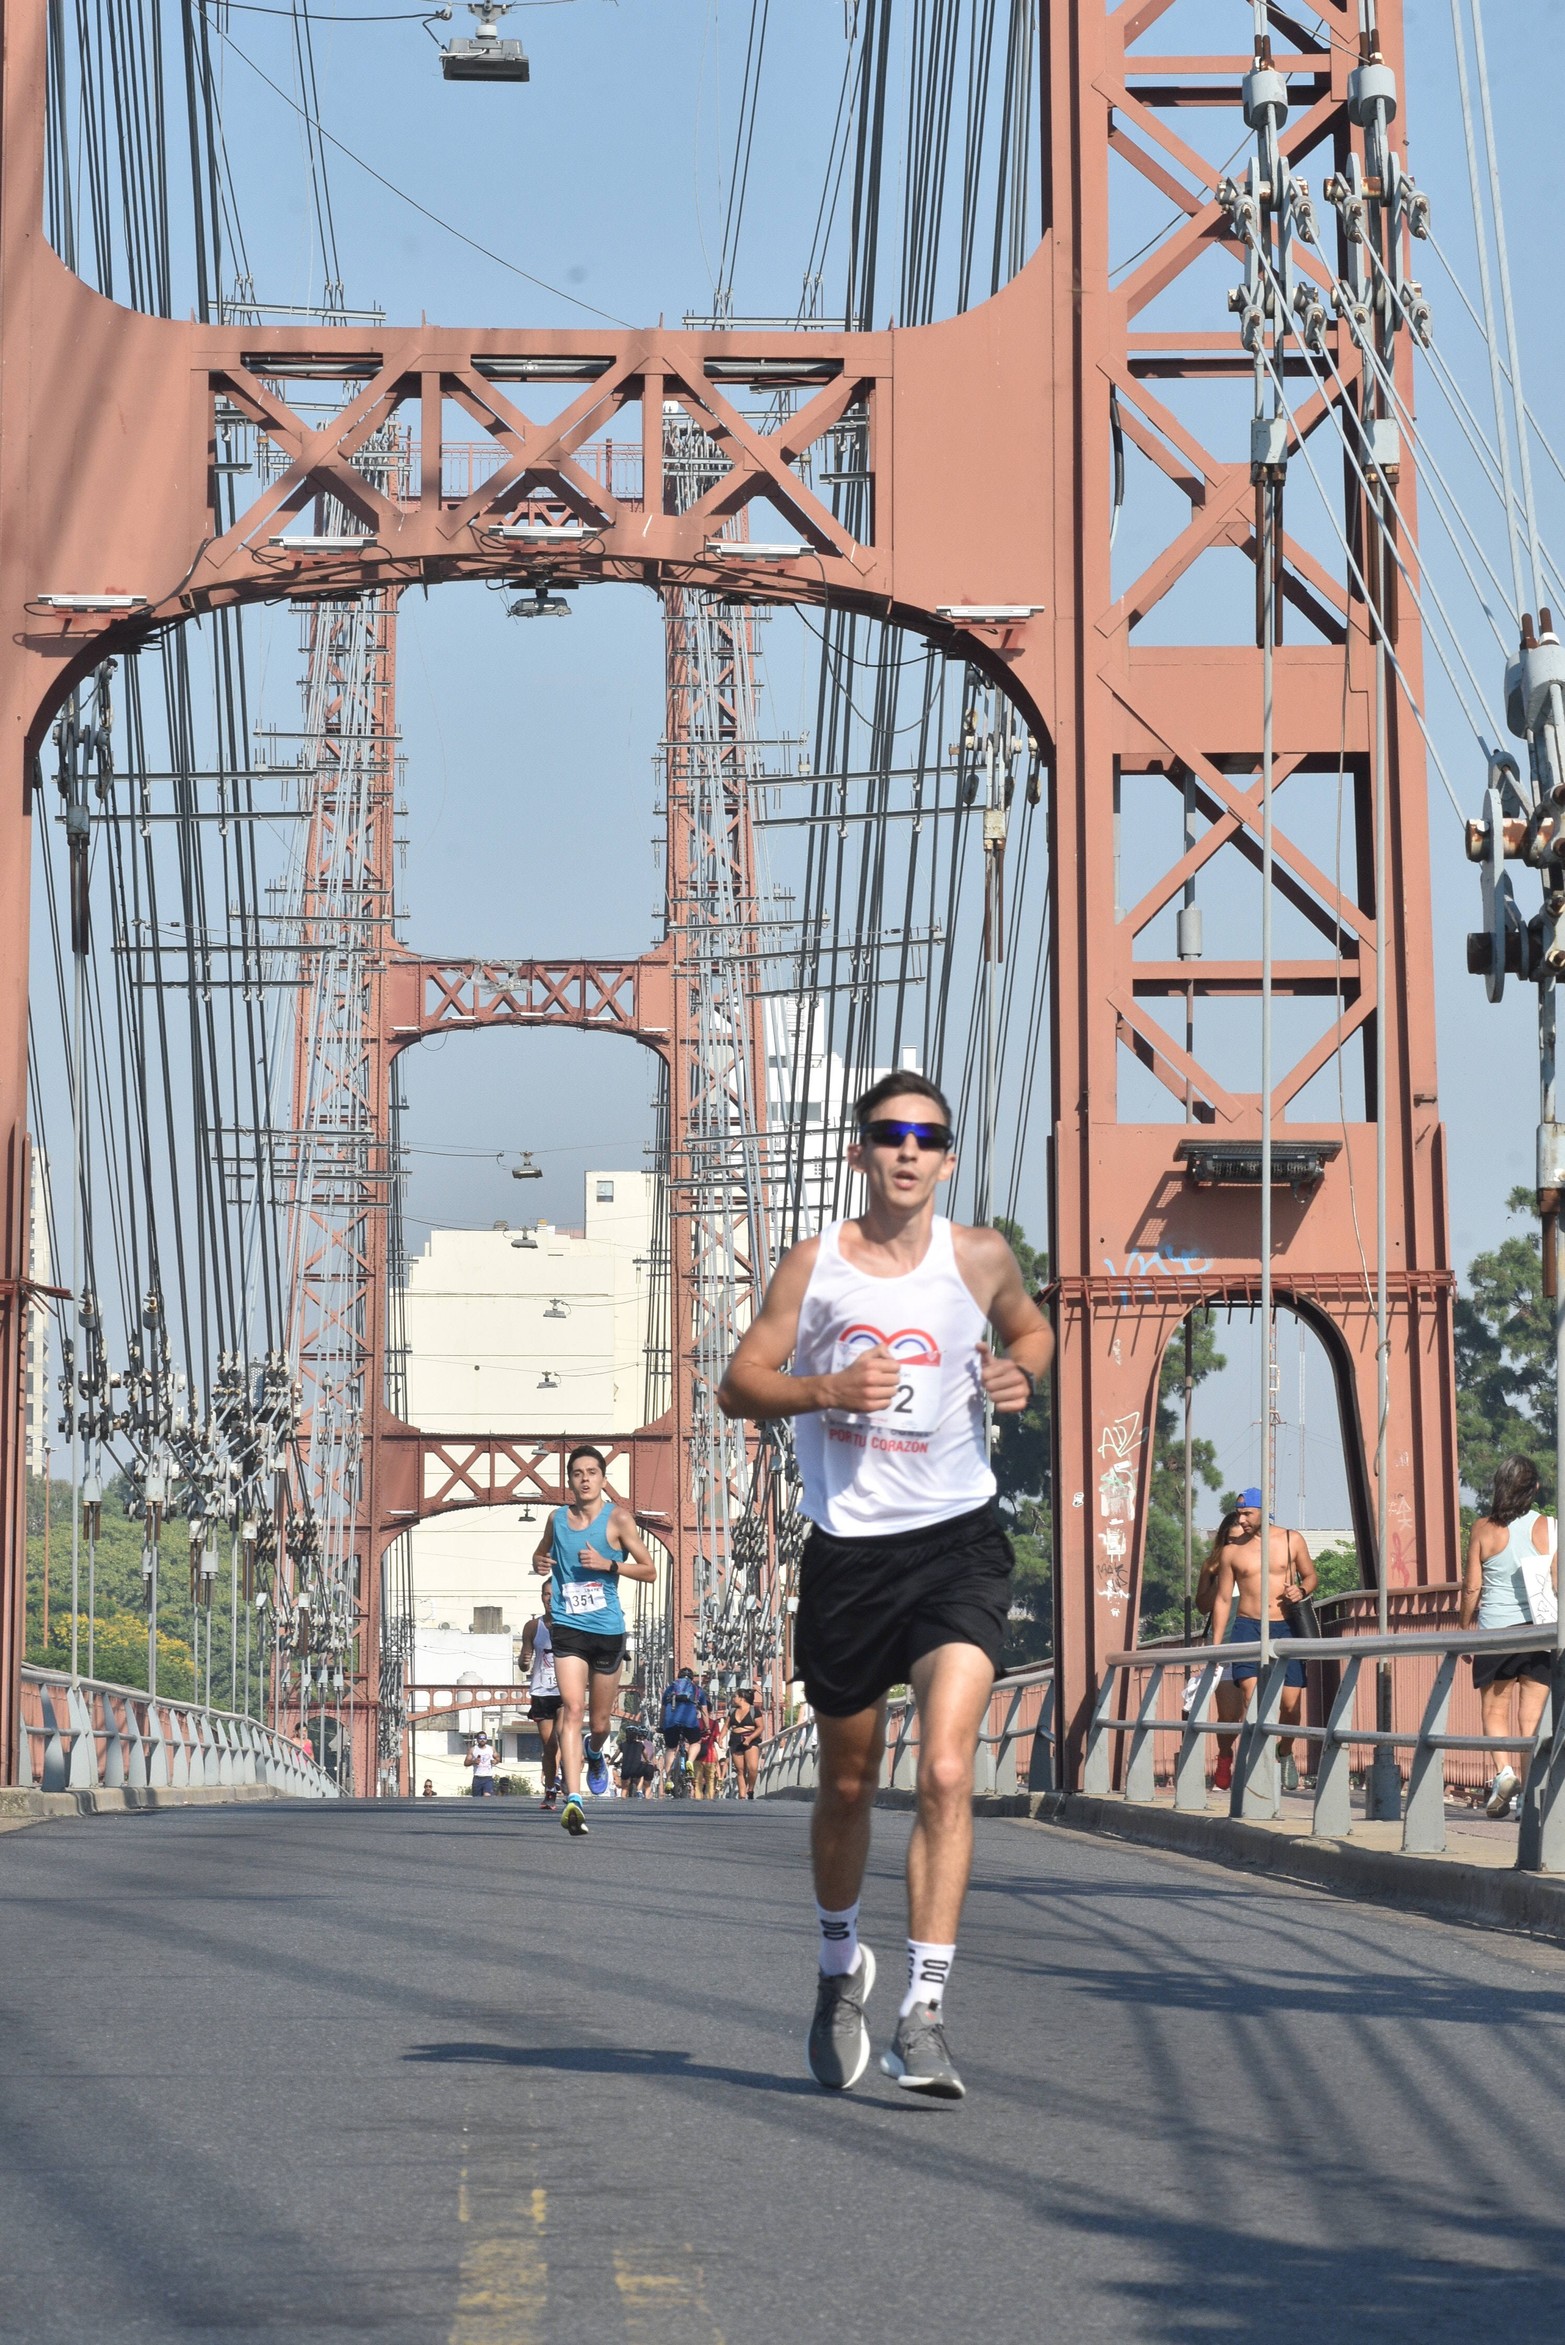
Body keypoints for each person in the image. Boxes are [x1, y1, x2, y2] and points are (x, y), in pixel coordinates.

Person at [718, 1069, 1053, 2099]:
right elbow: (739, 1383)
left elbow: (1032, 1327)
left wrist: (1021, 1370)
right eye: (887, 1133)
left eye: (926, 1136)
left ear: (946, 1157)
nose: (907, 1149)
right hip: (849, 1554)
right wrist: (821, 1387)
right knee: (850, 1783)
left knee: (947, 1770)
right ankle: (835, 1969)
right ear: (861, 1152)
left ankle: (924, 2011)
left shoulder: (979, 1255)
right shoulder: (815, 1267)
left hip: (957, 1542)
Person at [532, 1445, 657, 1837]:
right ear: (569, 1480)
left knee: (599, 1723)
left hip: (607, 1631)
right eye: (577, 1473)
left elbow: (650, 1570)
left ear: (603, 1479)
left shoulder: (617, 1519)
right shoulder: (557, 1519)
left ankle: (592, 1751)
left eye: (591, 1472)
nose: (584, 1479)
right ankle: (573, 1799)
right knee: (571, 1708)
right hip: (568, 1627)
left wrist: (609, 1564)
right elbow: (540, 1554)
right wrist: (538, 1562)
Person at [1460, 1453, 1559, 1818]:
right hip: (1539, 1632)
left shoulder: (1483, 1528)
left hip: (1495, 1634)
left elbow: (1472, 1588)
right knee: (1531, 1718)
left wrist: (1463, 1630)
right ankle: (1530, 1801)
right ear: (1534, 1488)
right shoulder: (1551, 1527)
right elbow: (1557, 1582)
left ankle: (1503, 1773)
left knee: (1494, 1710)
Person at [1206, 1490, 1319, 1795]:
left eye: (1247, 1514)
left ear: (1263, 1511)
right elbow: (1222, 1600)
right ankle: (1258, 1765)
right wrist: (1216, 1648)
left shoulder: (1290, 1540)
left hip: (1285, 1628)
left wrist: (1302, 1590)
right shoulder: (1232, 1551)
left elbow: (1311, 1576)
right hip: (1248, 1627)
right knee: (1251, 1698)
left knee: (1290, 1705)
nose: (1241, 1520)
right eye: (1238, 1514)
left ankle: (1284, 1751)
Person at [521, 1590, 562, 1811]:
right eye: (546, 1594)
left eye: (555, 1595)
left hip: (565, 1691)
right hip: (541, 1692)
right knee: (549, 1745)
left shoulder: (572, 1624)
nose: (550, 1599)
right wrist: (524, 1660)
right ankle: (550, 1790)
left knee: (565, 1735)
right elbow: (524, 1663)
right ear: (541, 1597)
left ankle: (568, 1777)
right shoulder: (532, 1626)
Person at [659, 1664, 704, 1794]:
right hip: (690, 1722)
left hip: (671, 1722)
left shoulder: (670, 1688)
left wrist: (662, 1725)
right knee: (695, 1742)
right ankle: (689, 1761)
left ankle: (668, 1778)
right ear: (691, 1678)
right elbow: (705, 1711)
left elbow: (663, 1710)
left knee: (671, 1748)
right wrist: (706, 1727)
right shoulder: (697, 1690)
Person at [728, 1682, 763, 1800]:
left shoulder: (755, 1711)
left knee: (752, 1768)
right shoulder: (732, 1711)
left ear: (742, 1698)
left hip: (751, 1739)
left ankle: (751, 1788)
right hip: (735, 1739)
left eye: (735, 1696)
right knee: (740, 1770)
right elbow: (726, 1726)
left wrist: (750, 1738)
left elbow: (760, 1727)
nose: (733, 1699)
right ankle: (742, 1796)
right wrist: (720, 1737)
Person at [696, 1700, 728, 1800]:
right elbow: (718, 1739)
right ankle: (709, 1799)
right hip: (710, 1755)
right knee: (710, 1779)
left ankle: (698, 1799)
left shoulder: (696, 1723)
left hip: (697, 1755)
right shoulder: (714, 1724)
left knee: (698, 1781)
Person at [465, 1730, 497, 1797]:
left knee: (487, 1796)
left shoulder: (491, 1749)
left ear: (486, 1739)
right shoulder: (473, 1749)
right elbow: (466, 1763)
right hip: (477, 1777)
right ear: (477, 1739)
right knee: (477, 1799)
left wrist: (495, 1761)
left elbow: (498, 1758)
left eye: (484, 1738)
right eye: (480, 1738)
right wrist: (474, 1761)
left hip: (488, 1777)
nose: (482, 1740)